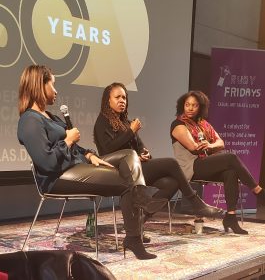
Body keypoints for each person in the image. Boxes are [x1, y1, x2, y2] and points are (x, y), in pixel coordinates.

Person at [17, 65, 170, 260]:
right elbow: (46, 161)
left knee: (130, 155)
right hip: (57, 177)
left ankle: (136, 226)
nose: (56, 91)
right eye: (52, 85)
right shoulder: (29, 120)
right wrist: (68, 140)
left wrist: (89, 155)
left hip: (76, 166)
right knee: (127, 181)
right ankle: (136, 231)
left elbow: (75, 150)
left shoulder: (51, 117)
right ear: (40, 85)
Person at [93, 82, 222, 230]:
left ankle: (138, 221)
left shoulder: (126, 122)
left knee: (171, 182)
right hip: (118, 171)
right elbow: (108, 150)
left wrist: (144, 153)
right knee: (171, 164)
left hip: (135, 168)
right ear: (108, 100)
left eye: (124, 97)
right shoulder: (102, 122)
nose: (122, 100)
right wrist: (131, 132)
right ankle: (195, 202)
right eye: (117, 97)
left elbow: (140, 146)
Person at [170, 90, 265, 235]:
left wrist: (210, 145)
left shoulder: (203, 125)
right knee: (231, 158)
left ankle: (231, 217)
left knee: (231, 172)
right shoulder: (178, 124)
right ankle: (258, 191)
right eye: (187, 105)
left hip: (204, 163)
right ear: (182, 106)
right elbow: (193, 148)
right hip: (189, 167)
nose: (190, 108)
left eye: (194, 105)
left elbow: (221, 143)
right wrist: (207, 145)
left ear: (200, 108)